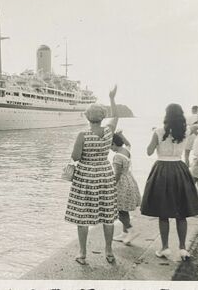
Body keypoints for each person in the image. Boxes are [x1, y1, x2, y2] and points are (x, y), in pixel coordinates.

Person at [140, 104, 198, 261]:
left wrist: (154, 135)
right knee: (181, 212)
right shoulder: (185, 131)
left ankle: (165, 248)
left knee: (163, 212)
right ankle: (183, 248)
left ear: (166, 116)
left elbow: (148, 151)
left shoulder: (159, 131)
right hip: (179, 169)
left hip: (161, 169)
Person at [65, 85, 119, 265]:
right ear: (102, 117)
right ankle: (109, 251)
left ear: (87, 117)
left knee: (83, 215)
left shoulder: (83, 135)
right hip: (105, 173)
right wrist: (112, 98)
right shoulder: (109, 131)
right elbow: (116, 116)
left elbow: (75, 157)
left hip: (86, 176)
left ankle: (82, 253)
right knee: (107, 214)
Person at [111, 131, 141, 245]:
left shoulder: (117, 156)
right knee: (124, 209)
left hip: (122, 184)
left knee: (118, 209)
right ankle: (124, 233)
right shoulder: (126, 151)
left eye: (110, 146)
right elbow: (128, 143)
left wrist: (111, 186)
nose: (110, 149)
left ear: (114, 143)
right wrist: (122, 135)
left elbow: (117, 174)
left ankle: (131, 230)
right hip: (129, 180)